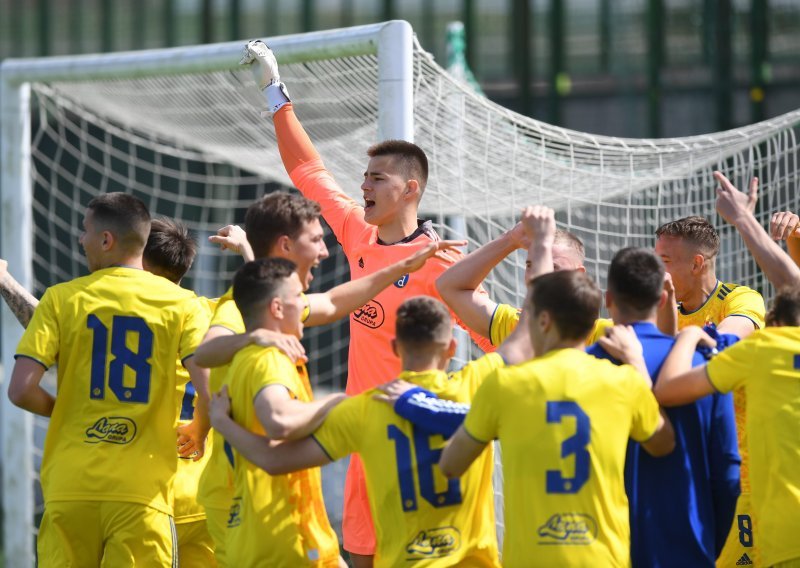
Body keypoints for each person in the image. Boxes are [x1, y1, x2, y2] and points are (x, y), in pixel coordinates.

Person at [241, 40, 493, 565]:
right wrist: (274, 92)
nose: (364, 184)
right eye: (365, 176)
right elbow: (308, 172)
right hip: (362, 426)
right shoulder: (357, 230)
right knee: (361, 556)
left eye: (378, 177)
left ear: (410, 189)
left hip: (418, 438)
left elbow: (492, 338)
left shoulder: (441, 259)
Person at [193, 191, 463, 565]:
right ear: (286, 245)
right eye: (316, 239)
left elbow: (334, 301)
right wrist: (345, 404)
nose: (324, 251)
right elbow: (206, 354)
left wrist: (403, 265)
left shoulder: (275, 306)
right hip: (252, 506)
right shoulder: (258, 337)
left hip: (281, 503)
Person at [210, 290, 537, 567]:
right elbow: (529, 331)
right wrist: (533, 242)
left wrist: (223, 422)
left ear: (395, 348)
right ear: (451, 347)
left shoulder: (365, 408)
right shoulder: (478, 382)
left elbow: (273, 460)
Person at [7, 193, 211, 566]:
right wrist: (199, 427)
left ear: (107, 240)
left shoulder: (63, 298)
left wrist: (67, 409)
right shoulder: (190, 307)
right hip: (148, 492)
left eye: (85, 230)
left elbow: (21, 390)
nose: (80, 239)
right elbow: (210, 385)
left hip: (70, 486)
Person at [438, 269, 675, 566]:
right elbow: (664, 444)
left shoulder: (504, 385)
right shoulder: (623, 382)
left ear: (544, 321)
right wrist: (638, 365)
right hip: (603, 558)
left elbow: (450, 466)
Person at [585, 247, 740, 566]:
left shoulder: (580, 368)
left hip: (603, 550)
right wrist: (709, 542)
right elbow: (726, 473)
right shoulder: (703, 366)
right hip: (689, 546)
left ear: (609, 299)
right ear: (662, 299)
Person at [653, 288, 800, 568]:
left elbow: (668, 389)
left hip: (784, 531)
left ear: (775, 325)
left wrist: (689, 336)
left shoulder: (763, 348)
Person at [654, 212, 766, 565]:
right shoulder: (658, 311)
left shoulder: (741, 299)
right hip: (682, 483)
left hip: (742, 482)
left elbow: (727, 343)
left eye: (664, 262)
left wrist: (677, 336)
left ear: (697, 263)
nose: (657, 272)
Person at [222, 258, 345, 566]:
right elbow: (279, 420)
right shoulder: (270, 360)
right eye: (297, 296)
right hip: (285, 537)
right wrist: (341, 401)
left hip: (262, 531)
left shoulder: (243, 356)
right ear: (277, 308)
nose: (304, 301)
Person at [436, 220, 613, 348]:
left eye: (553, 266)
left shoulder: (607, 334)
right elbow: (448, 286)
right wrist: (510, 240)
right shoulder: (516, 326)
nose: (538, 273)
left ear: (579, 275)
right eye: (530, 265)